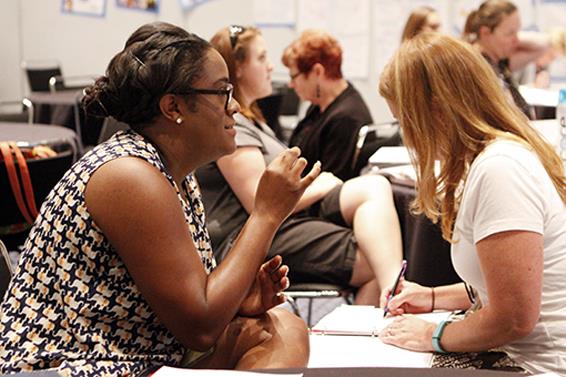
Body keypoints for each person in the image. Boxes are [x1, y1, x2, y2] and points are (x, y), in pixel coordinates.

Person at [0, 22, 315, 376]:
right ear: (173, 107)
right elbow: (200, 328)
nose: (236, 107)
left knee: (283, 329)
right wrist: (266, 213)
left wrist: (240, 300)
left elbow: (192, 302)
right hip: (68, 366)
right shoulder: (128, 175)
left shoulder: (173, 172)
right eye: (223, 92)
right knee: (279, 334)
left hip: (133, 354)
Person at [378, 32, 566, 375]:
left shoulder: (500, 170)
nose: (407, 135)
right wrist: (434, 298)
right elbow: (503, 286)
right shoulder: (492, 159)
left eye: (406, 120)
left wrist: (434, 334)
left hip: (538, 365)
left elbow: (514, 317)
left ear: (436, 110)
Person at [196, 25, 403, 306]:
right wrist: (321, 184)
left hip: (284, 217)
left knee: (376, 188)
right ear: (239, 68)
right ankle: (393, 299)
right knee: (374, 259)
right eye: (262, 58)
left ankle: (395, 290)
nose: (271, 68)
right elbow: (261, 201)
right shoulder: (235, 125)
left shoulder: (255, 121)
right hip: (251, 232)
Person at [281, 29, 374, 181]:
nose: (291, 84)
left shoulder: (346, 119)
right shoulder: (319, 105)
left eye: (294, 77)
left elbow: (328, 185)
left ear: (317, 71)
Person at [462, 0, 550, 119]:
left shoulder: (500, 60)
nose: (517, 40)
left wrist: (511, 36)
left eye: (517, 31)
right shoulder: (472, 65)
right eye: (510, 33)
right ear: (485, 32)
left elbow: (544, 45)